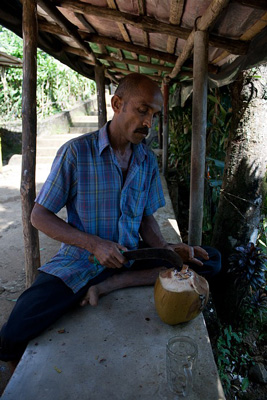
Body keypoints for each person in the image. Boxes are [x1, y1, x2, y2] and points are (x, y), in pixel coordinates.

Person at [0, 73, 221, 370]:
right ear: (117, 104)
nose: (148, 123)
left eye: (154, 115)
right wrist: (95, 245)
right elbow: (39, 216)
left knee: (210, 259)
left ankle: (111, 285)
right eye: (142, 110)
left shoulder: (145, 161)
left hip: (130, 256)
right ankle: (101, 283)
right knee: (16, 328)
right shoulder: (76, 153)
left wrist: (166, 248)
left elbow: (145, 220)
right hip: (81, 261)